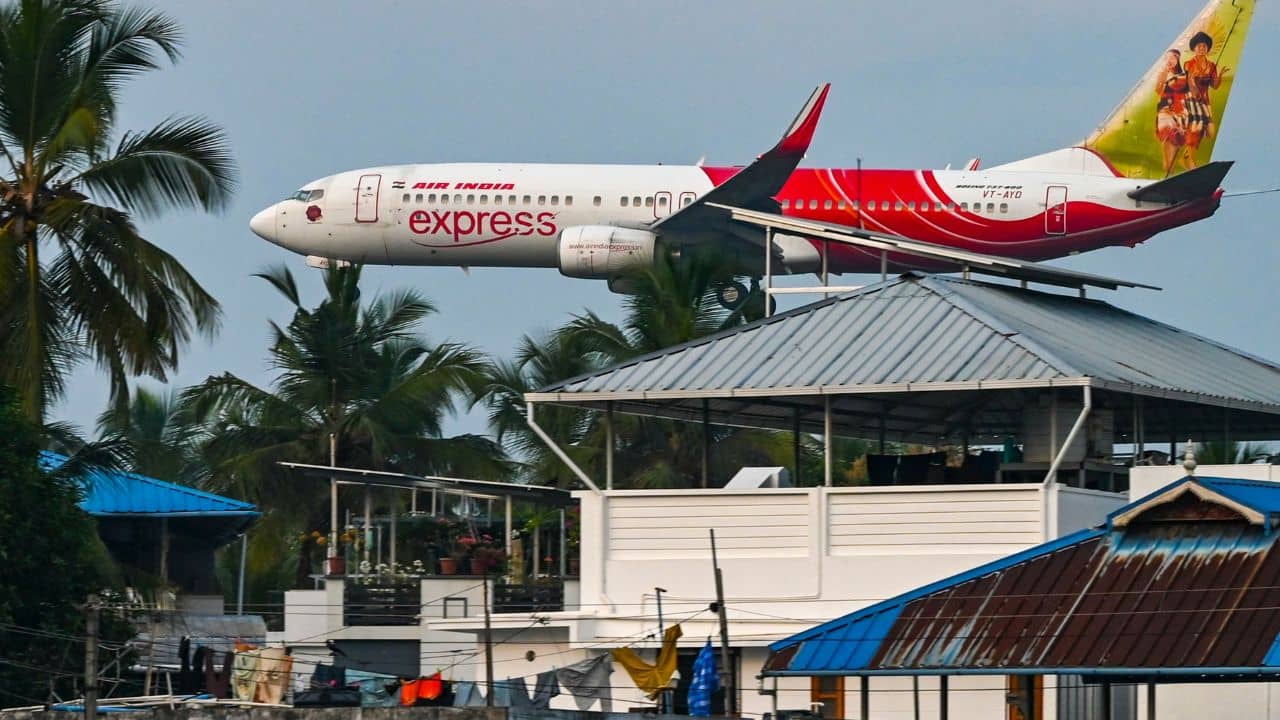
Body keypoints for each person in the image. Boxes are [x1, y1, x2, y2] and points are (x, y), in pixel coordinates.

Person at [1181, 30, 1230, 170]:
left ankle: (1188, 154)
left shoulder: (1211, 66)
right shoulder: (1189, 63)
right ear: (1194, 48)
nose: (1201, 48)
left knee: (1208, 132)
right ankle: (1189, 158)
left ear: (1208, 48)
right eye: (1199, 46)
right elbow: (1190, 80)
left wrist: (1219, 76)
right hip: (1192, 100)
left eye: (1204, 46)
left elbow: (1214, 86)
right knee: (1195, 128)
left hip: (1205, 101)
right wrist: (1195, 93)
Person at [1154, 49, 1190, 176]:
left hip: (1180, 112)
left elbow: (1181, 87)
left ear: (1178, 59)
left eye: (1173, 58)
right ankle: (1168, 171)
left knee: (1177, 141)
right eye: (1167, 58)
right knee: (1168, 135)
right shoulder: (1164, 75)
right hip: (1165, 112)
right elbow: (1158, 90)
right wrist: (1164, 74)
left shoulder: (1183, 76)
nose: (1170, 60)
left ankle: (1171, 173)